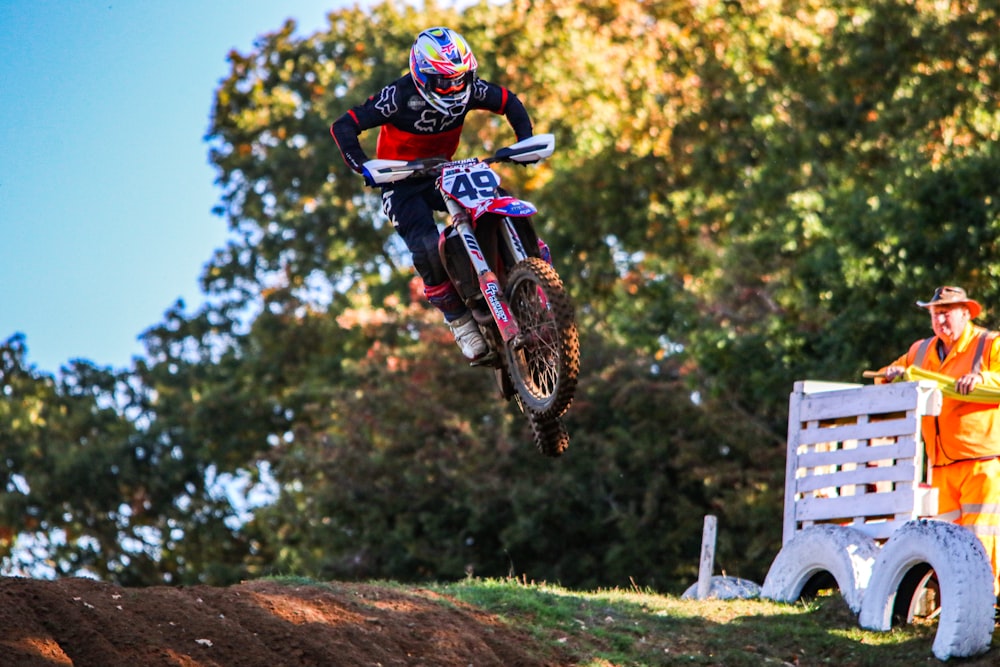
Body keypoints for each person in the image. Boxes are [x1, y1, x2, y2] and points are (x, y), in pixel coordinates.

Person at [330, 26, 534, 360]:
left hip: (444, 170)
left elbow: (509, 102)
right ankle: (460, 323)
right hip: (400, 180)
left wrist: (524, 140)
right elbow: (344, 125)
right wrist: (364, 166)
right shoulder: (397, 96)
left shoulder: (472, 89)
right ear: (421, 75)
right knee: (426, 248)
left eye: (461, 79)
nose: (455, 87)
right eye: (445, 81)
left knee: (499, 199)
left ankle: (530, 265)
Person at [878, 285, 1000, 595]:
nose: (940, 321)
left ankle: (987, 603)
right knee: (946, 545)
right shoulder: (920, 351)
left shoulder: (988, 344)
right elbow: (883, 376)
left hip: (982, 466)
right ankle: (955, 604)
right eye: (935, 315)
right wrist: (890, 374)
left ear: (965, 313)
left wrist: (982, 379)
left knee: (981, 541)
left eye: (946, 314)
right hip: (941, 467)